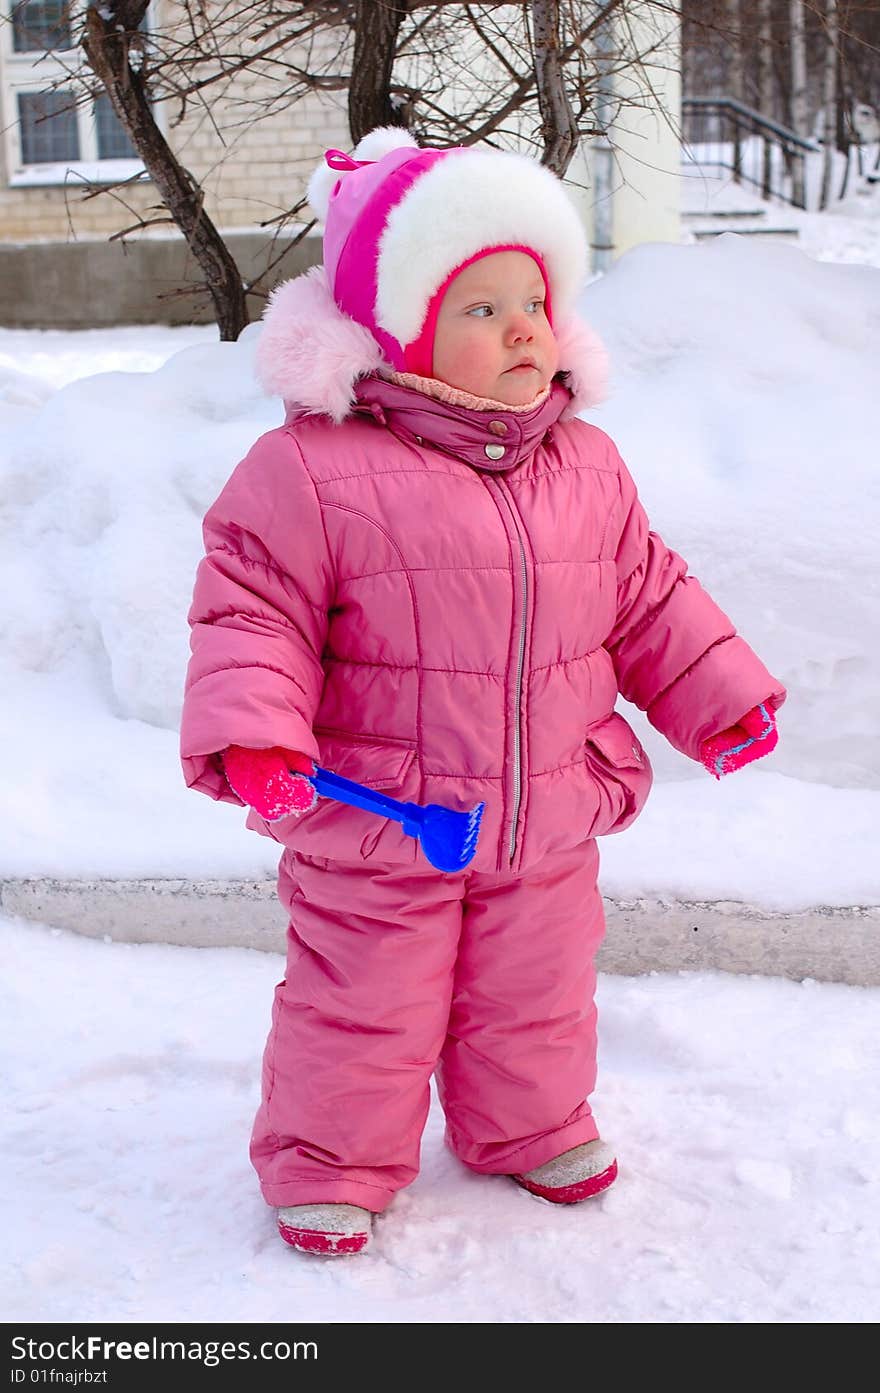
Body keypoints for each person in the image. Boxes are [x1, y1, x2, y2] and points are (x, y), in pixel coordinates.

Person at [180, 128, 786, 1257]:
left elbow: (646, 596)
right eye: (479, 307)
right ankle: (331, 1163)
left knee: (538, 991)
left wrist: (723, 699)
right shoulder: (313, 467)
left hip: (550, 805)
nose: (521, 329)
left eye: (535, 300)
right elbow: (250, 609)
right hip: (380, 817)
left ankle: (529, 1126)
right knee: (363, 1005)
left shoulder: (586, 465)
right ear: (398, 334)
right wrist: (257, 737)